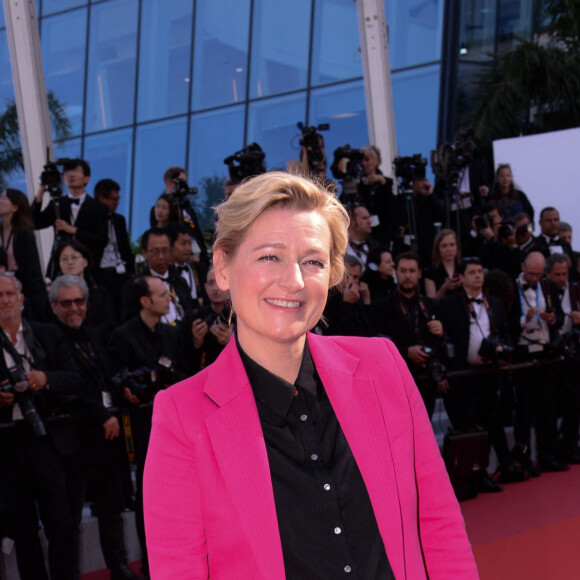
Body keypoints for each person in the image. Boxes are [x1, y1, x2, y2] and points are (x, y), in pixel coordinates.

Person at [143, 171, 477, 579]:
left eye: (313, 261)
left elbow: (439, 522)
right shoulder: (182, 415)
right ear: (224, 268)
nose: (295, 280)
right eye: (270, 256)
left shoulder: (382, 366)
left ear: (333, 273)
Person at [49, 275, 140, 580]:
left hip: (107, 435)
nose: (74, 308)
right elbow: (68, 389)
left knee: (111, 506)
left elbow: (106, 376)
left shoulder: (94, 336)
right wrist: (101, 414)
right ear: (53, 307)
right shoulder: (50, 340)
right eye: (66, 303)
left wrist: (122, 391)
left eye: (79, 301)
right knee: (70, 518)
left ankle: (118, 565)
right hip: (73, 439)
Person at [0, 273, 85, 580]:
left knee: (61, 523)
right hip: (8, 444)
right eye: (0, 295)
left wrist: (46, 379)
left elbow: (77, 379)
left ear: (21, 299)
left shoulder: (47, 335)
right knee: (23, 528)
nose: (6, 300)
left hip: (48, 439)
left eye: (10, 293)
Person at [439, 258, 514, 491]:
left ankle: (501, 467)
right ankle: (474, 475)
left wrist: (501, 349)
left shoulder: (496, 304)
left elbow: (505, 335)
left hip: (489, 373)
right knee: (468, 424)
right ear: (462, 277)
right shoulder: (449, 304)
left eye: (480, 271)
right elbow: (444, 340)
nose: (478, 276)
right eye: (472, 272)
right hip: (462, 375)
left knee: (493, 421)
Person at [508, 251, 567, 474]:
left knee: (548, 407)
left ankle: (547, 456)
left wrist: (553, 319)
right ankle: (524, 460)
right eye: (531, 273)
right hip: (523, 354)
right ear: (523, 267)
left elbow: (561, 316)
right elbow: (505, 323)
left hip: (546, 353)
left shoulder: (548, 286)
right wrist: (525, 320)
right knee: (525, 410)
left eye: (539, 274)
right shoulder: (512, 289)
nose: (535, 278)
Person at [379, 251, 445, 418]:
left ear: (420, 273)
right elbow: (378, 346)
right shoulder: (383, 307)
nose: (407, 276)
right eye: (403, 271)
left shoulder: (430, 305)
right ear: (396, 273)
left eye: (412, 271)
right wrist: (406, 351)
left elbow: (444, 344)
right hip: (395, 383)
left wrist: (441, 333)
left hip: (426, 382)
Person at [31, 158, 109, 277]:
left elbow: (101, 240)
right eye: (67, 172)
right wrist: (41, 190)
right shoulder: (57, 203)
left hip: (88, 269)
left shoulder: (98, 207)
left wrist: (72, 230)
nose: (71, 175)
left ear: (86, 178)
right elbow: (34, 223)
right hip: (60, 268)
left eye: (76, 171)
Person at [120, 227, 193, 324]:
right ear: (144, 253)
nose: (161, 257)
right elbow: (129, 322)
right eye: (155, 251)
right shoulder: (134, 285)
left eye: (165, 250)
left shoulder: (180, 281)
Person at [0, 188, 50, 321]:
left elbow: (32, 272)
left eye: (4, 198)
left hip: (26, 294)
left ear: (15, 207)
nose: (0, 201)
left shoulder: (24, 233)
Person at [93, 178, 134, 322]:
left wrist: (131, 270)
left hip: (122, 270)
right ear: (102, 199)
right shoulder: (93, 219)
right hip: (103, 272)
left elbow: (125, 247)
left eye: (118, 199)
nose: (117, 203)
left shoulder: (119, 220)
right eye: (113, 199)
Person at [52, 240, 112, 330]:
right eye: (64, 259)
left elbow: (109, 324)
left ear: (85, 262)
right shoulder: (53, 295)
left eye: (74, 257)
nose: (70, 262)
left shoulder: (99, 293)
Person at [358, 145, 394, 244]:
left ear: (376, 161)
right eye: (361, 160)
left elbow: (391, 207)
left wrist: (382, 183)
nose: (363, 164)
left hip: (383, 234)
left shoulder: (387, 182)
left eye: (367, 160)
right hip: (362, 234)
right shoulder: (358, 184)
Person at [424, 228, 462, 303]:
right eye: (444, 246)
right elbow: (431, 303)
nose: (449, 249)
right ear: (438, 249)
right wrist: (443, 289)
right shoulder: (431, 272)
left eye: (452, 245)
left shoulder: (464, 268)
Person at [344, 204, 379, 271]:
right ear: (351, 222)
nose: (369, 222)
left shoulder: (375, 247)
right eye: (364, 218)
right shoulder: (339, 247)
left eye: (369, 218)